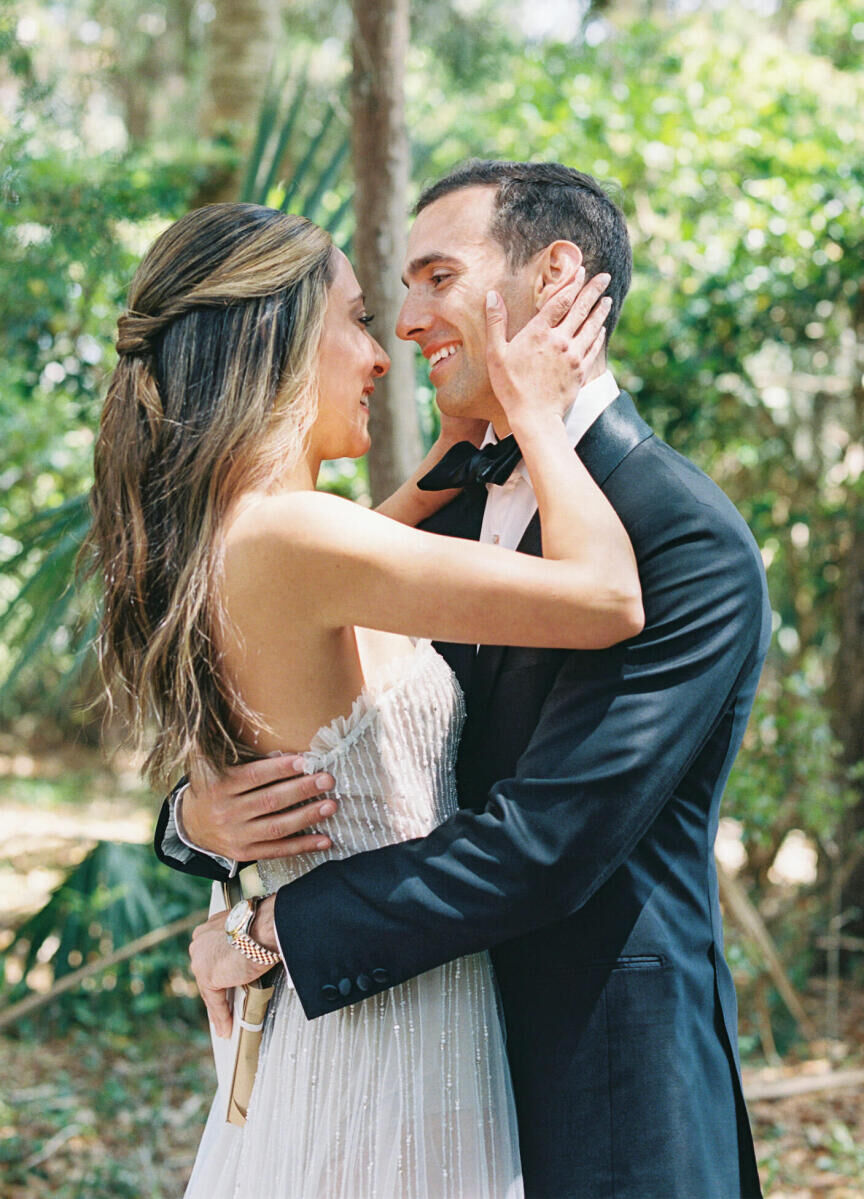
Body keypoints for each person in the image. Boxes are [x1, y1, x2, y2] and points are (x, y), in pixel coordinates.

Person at [160, 162, 771, 1199]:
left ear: (555, 277)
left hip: (606, 1093)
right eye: (393, 294)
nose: (405, 324)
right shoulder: (436, 512)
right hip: (411, 1073)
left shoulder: (685, 537)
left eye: (436, 278)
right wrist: (195, 822)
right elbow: (310, 715)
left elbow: (544, 844)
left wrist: (270, 932)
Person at [87, 198, 641, 1198]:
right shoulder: (299, 537)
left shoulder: (244, 533)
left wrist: (437, 465)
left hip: (346, 1025)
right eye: (353, 319)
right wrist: (537, 416)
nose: (383, 354)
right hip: (384, 1046)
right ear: (276, 339)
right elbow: (608, 598)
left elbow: (351, 610)